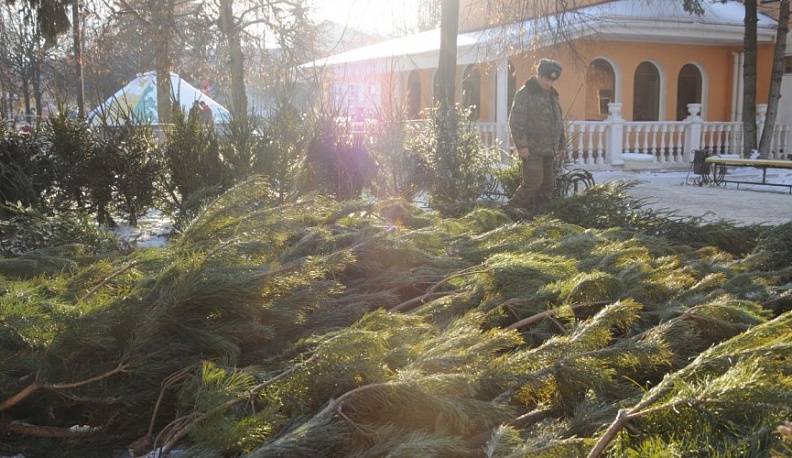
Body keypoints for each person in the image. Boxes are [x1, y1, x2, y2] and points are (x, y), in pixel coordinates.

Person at [507, 58, 566, 214]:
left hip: (549, 149)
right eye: (546, 79)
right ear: (539, 75)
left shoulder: (553, 95)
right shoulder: (526, 93)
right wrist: (521, 145)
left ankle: (540, 216)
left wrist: (561, 145)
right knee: (533, 182)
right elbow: (516, 120)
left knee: (547, 186)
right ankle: (509, 212)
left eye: (552, 80)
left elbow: (558, 122)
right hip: (532, 149)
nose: (548, 83)